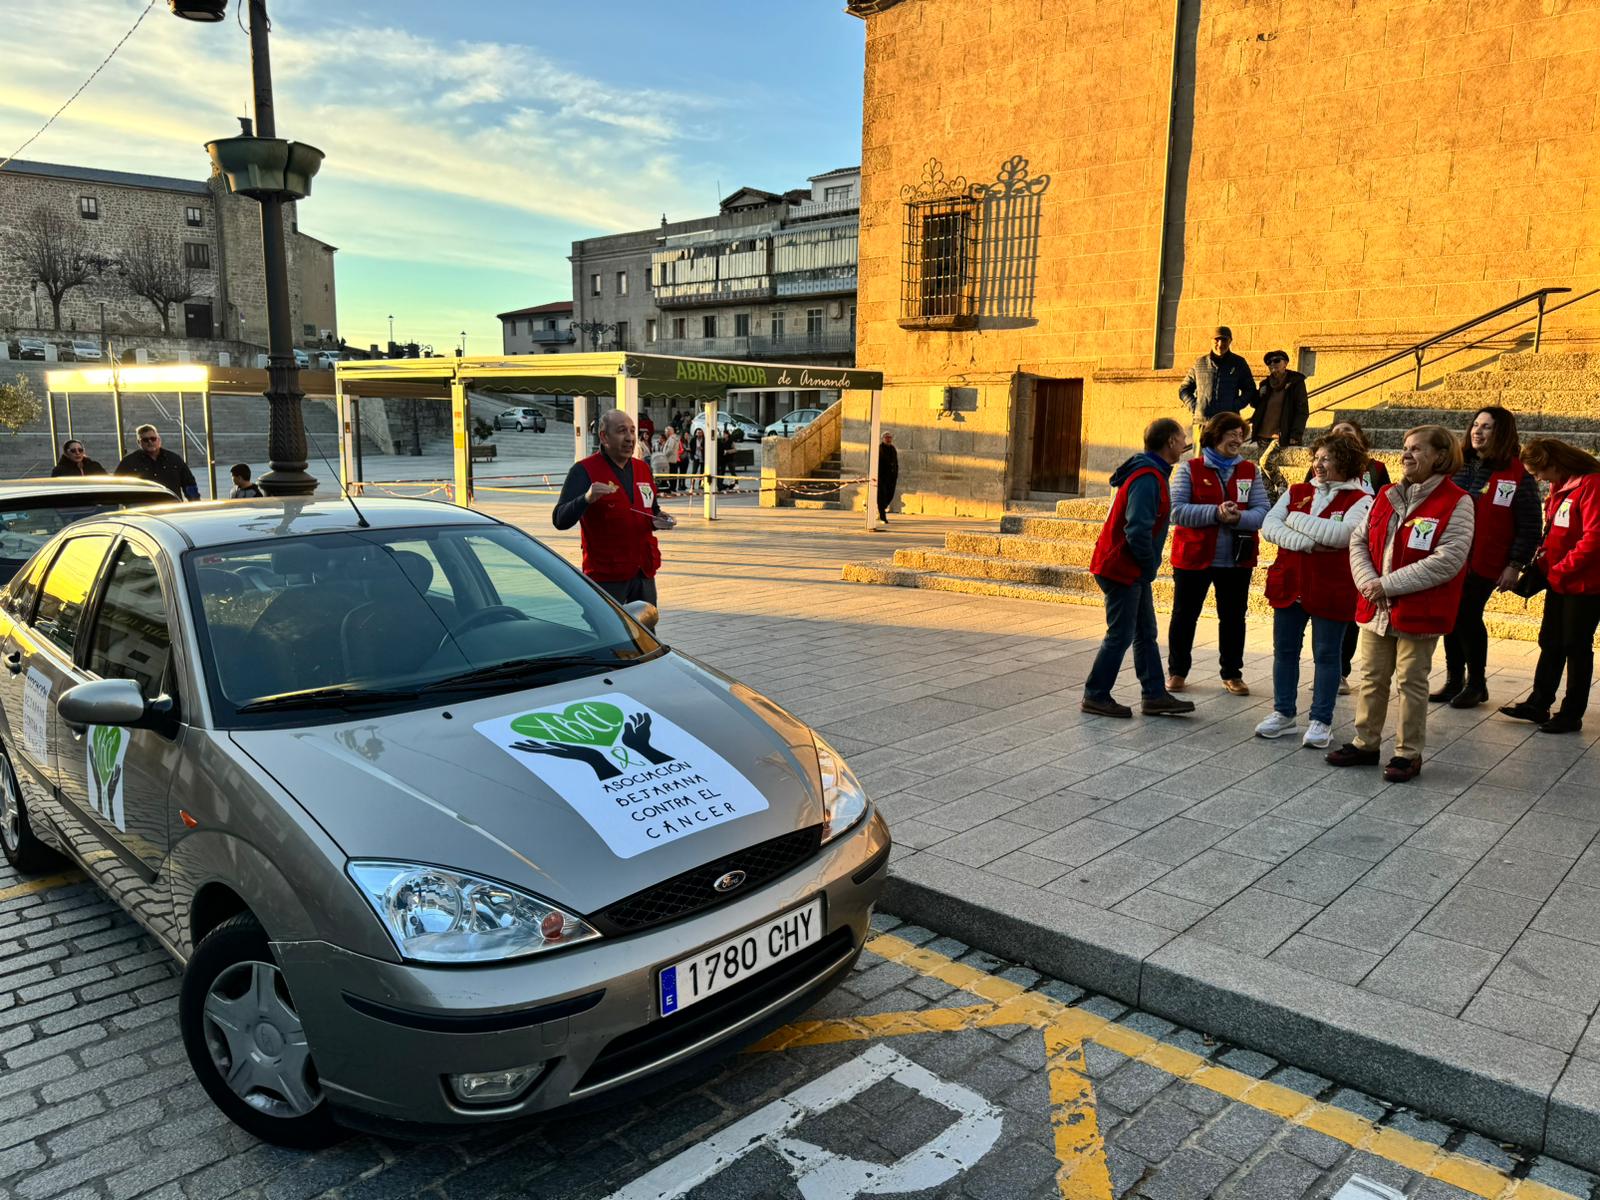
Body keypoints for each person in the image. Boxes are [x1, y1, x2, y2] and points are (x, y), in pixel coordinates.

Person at [1327, 425, 1473, 783]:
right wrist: (1366, 583)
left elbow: (1448, 559)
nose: (1406, 454)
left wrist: (1386, 585)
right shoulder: (1387, 493)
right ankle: (1366, 743)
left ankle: (1408, 753)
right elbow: (1359, 540)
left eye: (1417, 449)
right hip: (1376, 606)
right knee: (1372, 677)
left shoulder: (1458, 501)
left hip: (1418, 610)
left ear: (1440, 456)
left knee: (1411, 681)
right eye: (1405, 448)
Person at [1255, 433, 1374, 748]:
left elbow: (1342, 535)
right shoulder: (1298, 491)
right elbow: (1269, 527)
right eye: (1316, 458)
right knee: (1285, 652)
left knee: (1326, 655)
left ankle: (1321, 720)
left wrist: (1293, 521)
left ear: (1345, 463)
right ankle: (1283, 714)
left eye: (1326, 459)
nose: (1318, 465)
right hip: (1289, 585)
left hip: (1331, 588)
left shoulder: (1361, 500)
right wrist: (1310, 542)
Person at [1082, 418, 1196, 719]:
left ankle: (1155, 695)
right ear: (1171, 441)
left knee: (1145, 632)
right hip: (1122, 567)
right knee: (1120, 634)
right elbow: (1137, 530)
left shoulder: (1151, 472)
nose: (1186, 442)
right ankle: (1095, 695)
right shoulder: (1148, 477)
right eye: (1182, 437)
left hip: (1128, 567)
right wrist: (1148, 565)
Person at [1432, 406, 1541, 708]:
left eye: (1487, 427)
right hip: (1450, 556)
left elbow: (1530, 525)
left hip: (1485, 561)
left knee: (1467, 615)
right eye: (1475, 425)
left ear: (1502, 432)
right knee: (1451, 618)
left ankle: (1476, 684)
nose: (1477, 432)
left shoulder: (1517, 473)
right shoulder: (1457, 466)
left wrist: (1515, 565)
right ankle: (1455, 680)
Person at [1165, 411, 1270, 695]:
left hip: (1237, 559)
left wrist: (1238, 518)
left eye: (1241, 435)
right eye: (1232, 434)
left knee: (1234, 617)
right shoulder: (1190, 469)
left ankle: (1232, 673)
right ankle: (1177, 671)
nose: (1238, 440)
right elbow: (1176, 510)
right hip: (1194, 557)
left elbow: (1262, 512)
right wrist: (1216, 513)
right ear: (1216, 434)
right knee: (1185, 615)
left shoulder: (1251, 470)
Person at [1499, 439, 1600, 734]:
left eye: (1541, 472)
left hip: (1584, 584)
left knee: (1576, 646)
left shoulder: (1592, 485)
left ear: (1557, 464)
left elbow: (1594, 537)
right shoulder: (1562, 486)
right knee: (1551, 641)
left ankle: (1571, 712)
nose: (1539, 479)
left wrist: (1562, 569)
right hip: (1559, 578)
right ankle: (1538, 702)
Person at [552, 408, 675, 606]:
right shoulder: (583, 470)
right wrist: (586, 498)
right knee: (611, 632)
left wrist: (660, 519)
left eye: (632, 431)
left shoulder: (643, 468)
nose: (629, 438)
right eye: (621, 431)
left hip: (643, 571)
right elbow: (559, 519)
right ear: (604, 437)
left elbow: (651, 510)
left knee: (645, 630)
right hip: (606, 576)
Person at [1308, 419, 1390, 693]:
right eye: (1338, 434)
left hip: (1360, 546)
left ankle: (1341, 671)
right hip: (1322, 549)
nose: (1343, 437)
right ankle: (1324, 670)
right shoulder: (1319, 468)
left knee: (1348, 615)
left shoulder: (1376, 469)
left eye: (1349, 433)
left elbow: (1385, 502)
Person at [1179, 326, 1256, 421]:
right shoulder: (1200, 363)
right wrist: (1196, 407)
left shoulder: (1238, 363)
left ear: (1230, 341)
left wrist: (1234, 406)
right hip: (1202, 422)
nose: (1220, 344)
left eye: (1224, 340)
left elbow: (1250, 389)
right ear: (1211, 341)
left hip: (1228, 422)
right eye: (1217, 340)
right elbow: (1184, 389)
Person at [115, 425, 199, 500]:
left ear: (159, 440)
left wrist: (195, 504)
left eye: (153, 439)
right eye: (145, 440)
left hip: (172, 509)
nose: (150, 442)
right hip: (142, 511)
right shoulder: (129, 462)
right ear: (139, 443)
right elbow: (117, 484)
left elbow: (189, 484)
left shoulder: (174, 459)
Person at [1251, 350, 1308, 447]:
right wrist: (1258, 395)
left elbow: (1302, 410)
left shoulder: (1295, 382)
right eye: (1269, 362)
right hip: (1263, 437)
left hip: (1283, 438)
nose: (1272, 364)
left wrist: (1295, 435)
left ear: (1285, 363)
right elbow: (1255, 405)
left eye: (1277, 360)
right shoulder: (1265, 384)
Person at [877, 431, 899, 524]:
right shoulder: (880, 448)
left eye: (890, 437)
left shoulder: (893, 449)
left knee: (890, 495)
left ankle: (881, 509)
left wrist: (896, 473)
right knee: (882, 496)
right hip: (882, 477)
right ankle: (882, 516)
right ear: (883, 439)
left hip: (891, 477)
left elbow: (895, 462)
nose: (888, 439)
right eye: (886, 437)